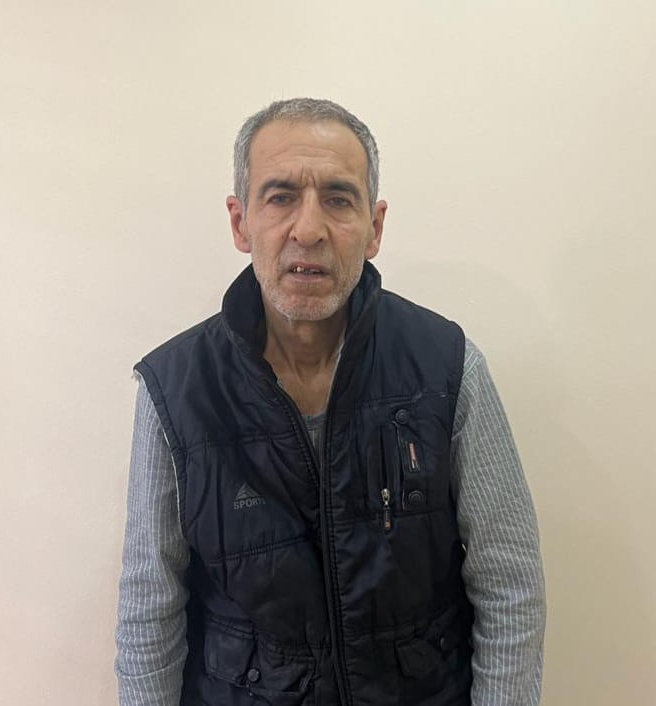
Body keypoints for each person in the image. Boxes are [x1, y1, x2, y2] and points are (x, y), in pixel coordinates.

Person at [115, 98, 546, 706]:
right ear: (241, 222)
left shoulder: (448, 367)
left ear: (375, 227)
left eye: (339, 199)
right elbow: (149, 607)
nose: (309, 229)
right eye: (281, 196)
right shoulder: (175, 389)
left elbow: (510, 585)